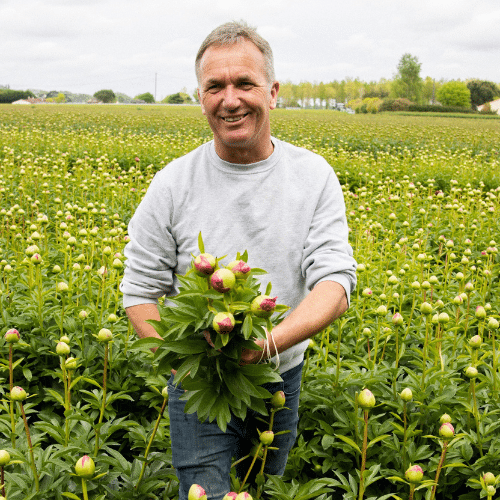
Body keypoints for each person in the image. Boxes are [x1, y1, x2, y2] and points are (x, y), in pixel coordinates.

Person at [120, 20, 356, 500]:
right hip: (199, 384)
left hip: (279, 376)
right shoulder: (171, 184)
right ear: (200, 98)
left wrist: (266, 345)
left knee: (266, 487)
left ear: (272, 92)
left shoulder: (313, 176)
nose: (230, 99)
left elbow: (334, 283)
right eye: (215, 86)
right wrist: (185, 362)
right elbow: (139, 293)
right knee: (205, 490)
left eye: (244, 83)